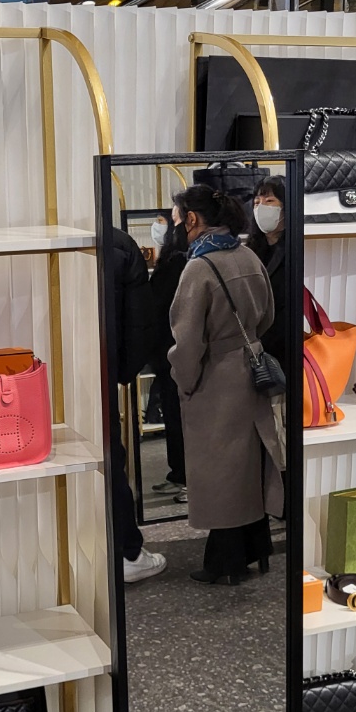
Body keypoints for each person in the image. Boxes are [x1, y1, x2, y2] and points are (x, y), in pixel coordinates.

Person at [168, 184, 284, 584]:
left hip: (215, 378)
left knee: (219, 472)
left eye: (180, 217)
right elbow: (268, 315)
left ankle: (226, 563)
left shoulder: (199, 268)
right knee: (247, 465)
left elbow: (187, 343)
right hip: (251, 369)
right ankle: (254, 550)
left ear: (192, 218)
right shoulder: (248, 255)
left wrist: (184, 382)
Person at [103, 226, 167, 584]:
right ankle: (126, 553)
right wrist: (123, 372)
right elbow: (139, 322)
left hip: (27, 373)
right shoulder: (119, 244)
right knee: (108, 461)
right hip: (99, 373)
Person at [147, 209, 188, 501]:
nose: (161, 227)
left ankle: (188, 479)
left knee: (182, 418)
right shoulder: (169, 258)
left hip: (178, 350)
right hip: (165, 351)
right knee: (173, 416)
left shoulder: (181, 260)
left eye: (169, 221)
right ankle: (179, 474)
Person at [246, 176, 290, 365]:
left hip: (283, 345)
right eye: (257, 202)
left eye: (269, 201)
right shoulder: (250, 249)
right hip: (254, 344)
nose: (261, 207)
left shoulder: (295, 248)